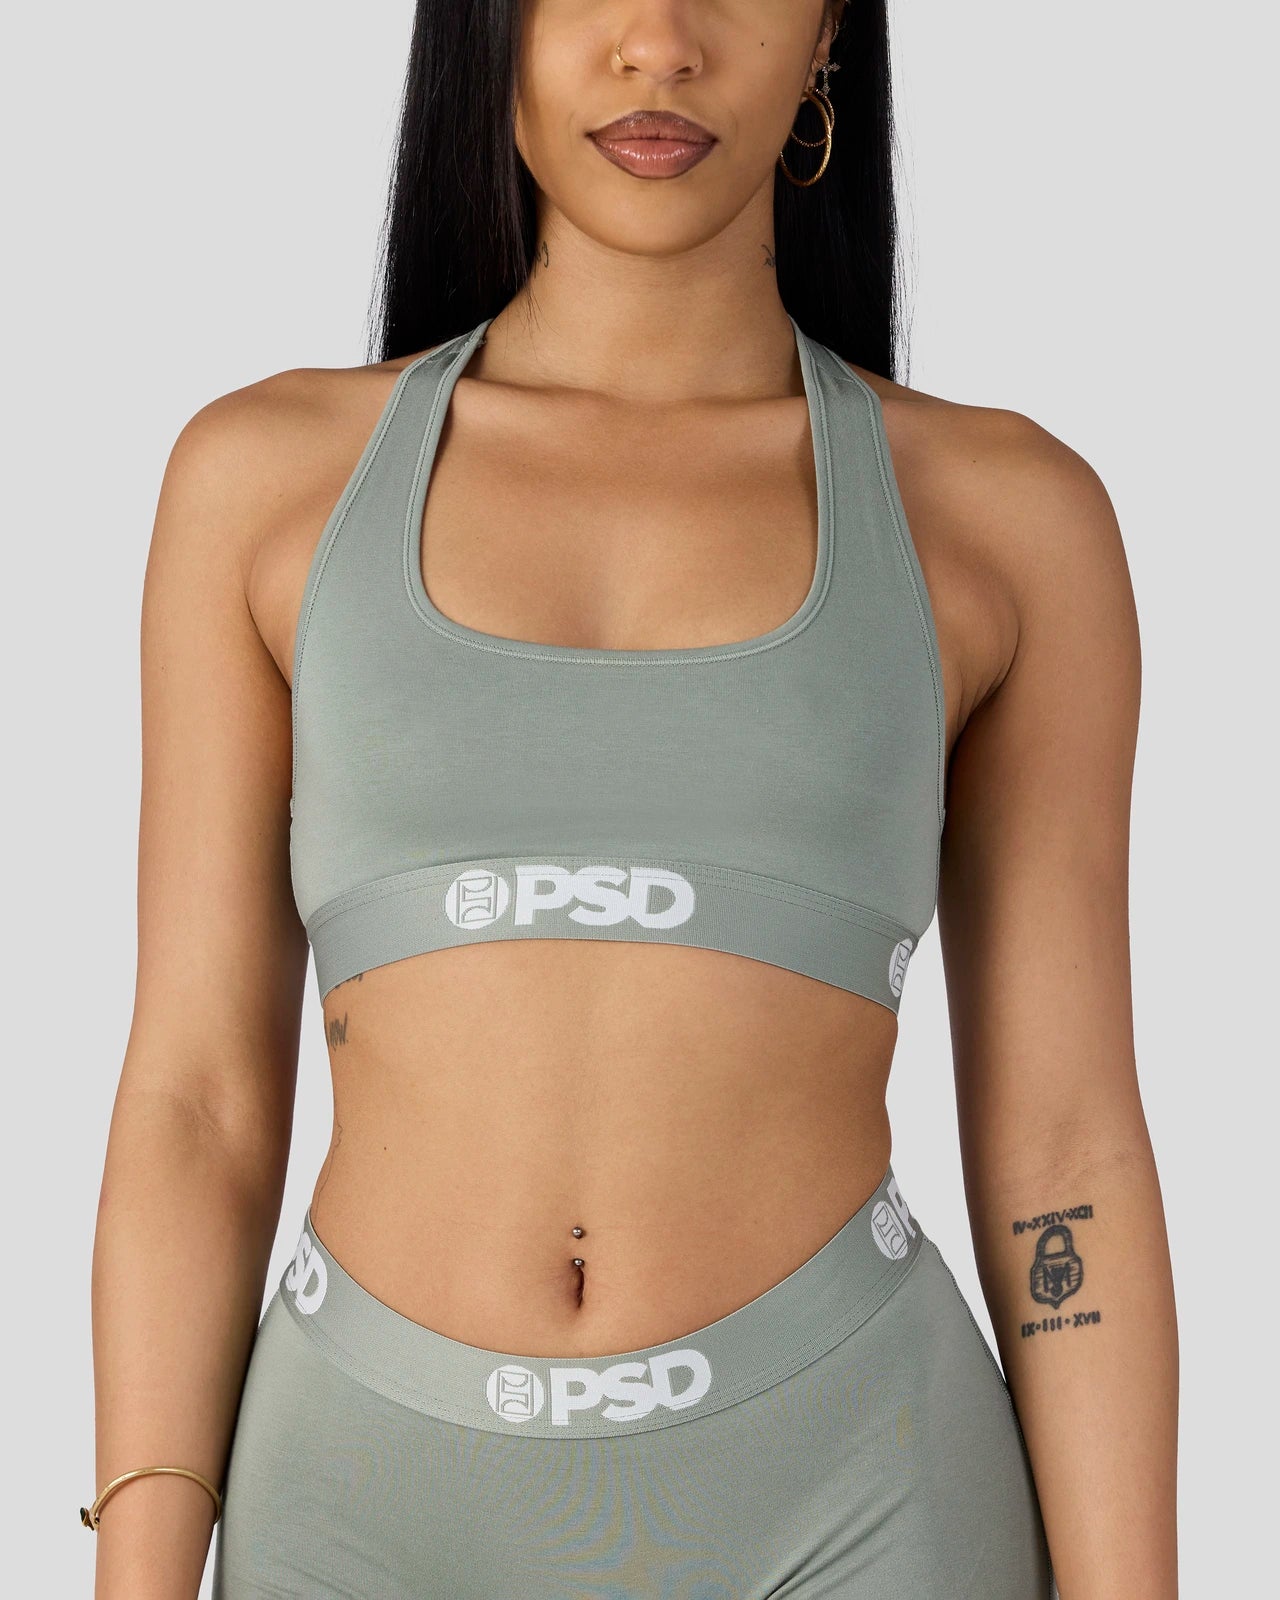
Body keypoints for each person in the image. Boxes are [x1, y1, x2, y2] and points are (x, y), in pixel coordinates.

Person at [85, 3, 1178, 1595]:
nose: (659, 43)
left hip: (858, 1495)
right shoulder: (264, 484)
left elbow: (1065, 1143)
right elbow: (198, 1104)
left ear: (827, 33)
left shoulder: (1007, 520)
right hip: (361, 1509)